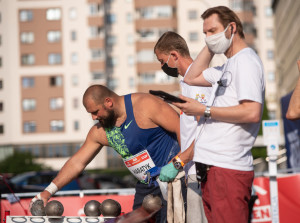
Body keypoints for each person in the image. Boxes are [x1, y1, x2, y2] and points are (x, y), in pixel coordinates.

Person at [30, 85, 182, 223]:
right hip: (146, 187)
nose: (93, 118)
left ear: (109, 102)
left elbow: (183, 129)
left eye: (95, 112)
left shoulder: (145, 105)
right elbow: (77, 162)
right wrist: (47, 192)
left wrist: (178, 163)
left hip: (175, 179)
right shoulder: (100, 132)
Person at [172, 6, 265, 223]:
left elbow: (251, 112)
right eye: (205, 33)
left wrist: (203, 110)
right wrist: (211, 46)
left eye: (212, 31)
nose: (208, 38)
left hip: (228, 167)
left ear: (231, 28)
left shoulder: (246, 61)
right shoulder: (227, 66)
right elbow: (191, 78)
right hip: (214, 168)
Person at [153, 31, 210, 223]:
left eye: (162, 61)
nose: (162, 66)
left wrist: (178, 162)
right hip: (195, 172)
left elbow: (208, 133)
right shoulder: (187, 83)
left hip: (204, 172)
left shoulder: (198, 84)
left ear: (174, 56)